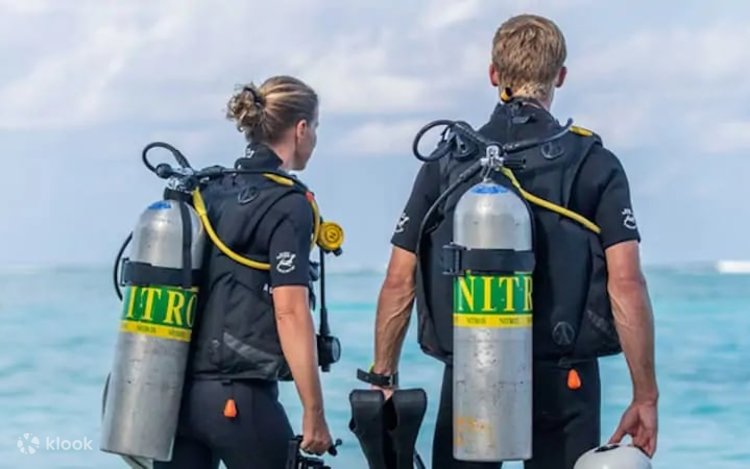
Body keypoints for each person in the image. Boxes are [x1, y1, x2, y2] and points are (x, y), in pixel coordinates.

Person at [363, 14, 658, 469]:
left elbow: (399, 280)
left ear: (493, 74)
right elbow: (627, 284)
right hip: (566, 380)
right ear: (560, 76)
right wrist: (645, 395)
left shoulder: (447, 161)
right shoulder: (594, 164)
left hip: (472, 368)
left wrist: (383, 377)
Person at [154, 75, 333, 469]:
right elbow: (290, 311)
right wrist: (314, 411)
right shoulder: (288, 203)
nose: (315, 137)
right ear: (301, 129)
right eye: (316, 127)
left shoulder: (208, 190)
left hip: (174, 397)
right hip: (238, 398)